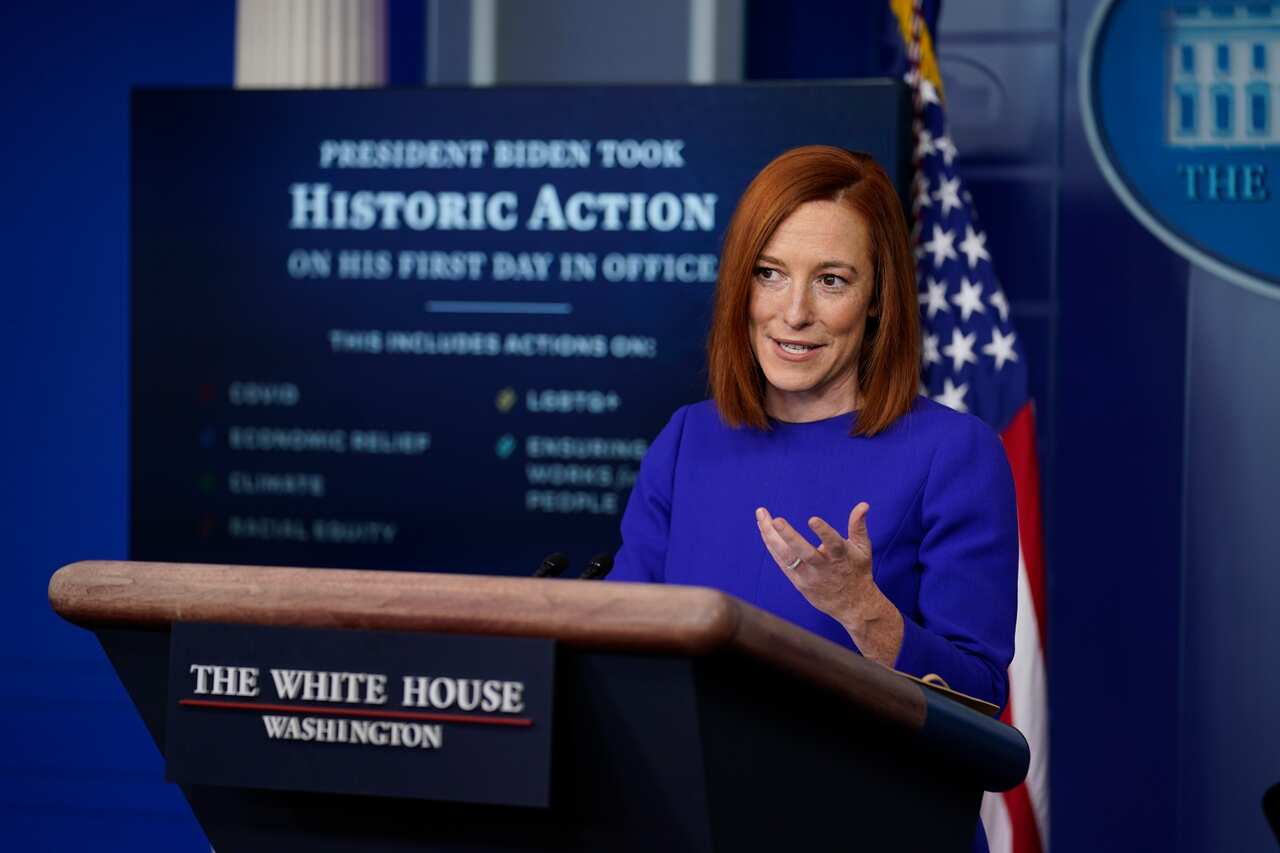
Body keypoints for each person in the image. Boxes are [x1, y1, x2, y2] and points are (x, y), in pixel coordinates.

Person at [608, 145, 1018, 711]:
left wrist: (862, 610)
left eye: (830, 280)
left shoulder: (953, 453)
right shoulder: (686, 441)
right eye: (769, 273)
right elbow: (617, 642)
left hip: (866, 795)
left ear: (877, 298)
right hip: (690, 790)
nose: (794, 312)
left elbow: (982, 700)